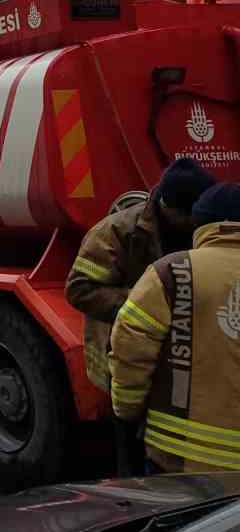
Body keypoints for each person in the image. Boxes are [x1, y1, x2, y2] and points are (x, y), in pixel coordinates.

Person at [110, 180, 240, 474]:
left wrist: (127, 410)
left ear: (201, 224)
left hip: (178, 460)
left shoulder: (172, 272)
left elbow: (130, 346)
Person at [67, 157, 213, 395]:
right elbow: (79, 289)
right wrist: (144, 304)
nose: (196, 222)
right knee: (130, 423)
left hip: (183, 357)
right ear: (168, 207)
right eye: (191, 215)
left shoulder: (202, 226)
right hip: (129, 356)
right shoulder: (116, 233)